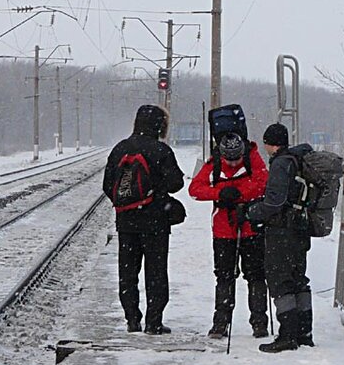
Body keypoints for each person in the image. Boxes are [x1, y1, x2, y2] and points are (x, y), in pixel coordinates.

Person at [102, 104, 185, 335]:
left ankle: (132, 319)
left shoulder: (120, 149)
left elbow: (108, 186)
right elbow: (176, 183)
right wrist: (156, 197)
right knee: (156, 272)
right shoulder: (161, 150)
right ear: (160, 126)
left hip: (126, 222)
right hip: (156, 222)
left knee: (128, 272)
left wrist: (128, 204)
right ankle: (153, 321)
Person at [187, 132, 269, 339]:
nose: (233, 163)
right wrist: (220, 194)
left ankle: (259, 322)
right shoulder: (213, 165)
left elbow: (264, 183)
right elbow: (195, 189)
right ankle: (221, 322)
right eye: (228, 159)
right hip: (223, 230)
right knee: (224, 277)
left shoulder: (254, 159)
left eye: (237, 158)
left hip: (251, 228)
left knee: (256, 276)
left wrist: (239, 195)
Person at [242, 123, 315, 352]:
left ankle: (287, 335)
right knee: (299, 278)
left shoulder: (281, 164)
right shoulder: (300, 161)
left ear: (269, 143)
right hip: (301, 228)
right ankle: (305, 332)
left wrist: (251, 211)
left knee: (280, 279)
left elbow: (274, 202)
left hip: (282, 230)